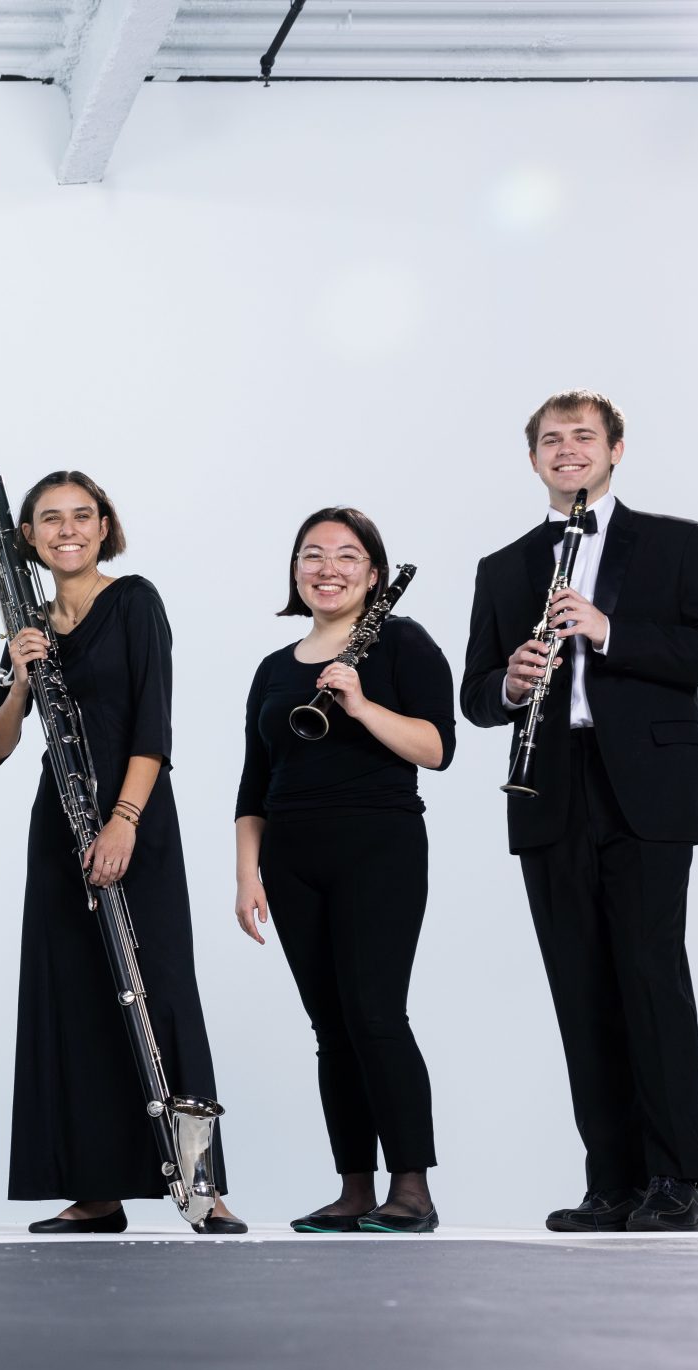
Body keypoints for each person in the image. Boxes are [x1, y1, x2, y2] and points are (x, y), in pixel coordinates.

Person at [460, 391, 698, 1233]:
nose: (567, 450)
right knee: (578, 987)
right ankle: (613, 1182)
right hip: (550, 790)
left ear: (616, 449)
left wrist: (608, 629)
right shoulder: (504, 567)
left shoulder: (677, 543)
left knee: (651, 979)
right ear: (534, 460)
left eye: (583, 437)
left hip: (648, 791)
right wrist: (510, 684)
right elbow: (477, 696)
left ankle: (675, 1182)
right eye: (551, 440)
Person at [0, 470, 244, 1234]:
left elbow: (153, 728)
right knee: (76, 1000)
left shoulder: (135, 602)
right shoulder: (24, 624)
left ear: (103, 526)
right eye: (49, 519)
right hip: (57, 828)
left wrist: (124, 821)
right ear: (26, 536)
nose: (67, 529)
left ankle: (204, 1186)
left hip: (136, 822)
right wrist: (21, 681)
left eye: (82, 516)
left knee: (161, 990)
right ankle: (96, 1191)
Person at [233, 507, 455, 1234]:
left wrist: (359, 703)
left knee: (376, 1015)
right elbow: (253, 784)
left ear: (375, 574)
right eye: (312, 555)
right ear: (295, 572)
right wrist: (247, 875)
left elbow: (435, 748)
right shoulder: (273, 668)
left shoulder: (401, 643)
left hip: (378, 846)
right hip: (292, 857)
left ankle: (412, 1188)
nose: (328, 568)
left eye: (347, 555)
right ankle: (355, 1189)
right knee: (330, 1027)